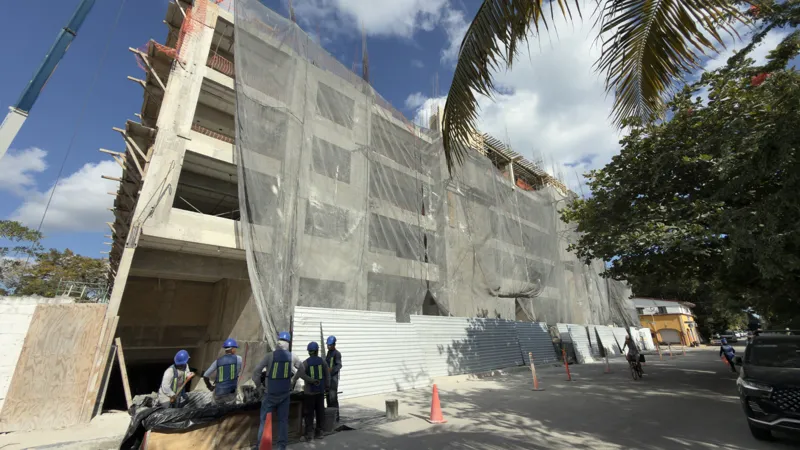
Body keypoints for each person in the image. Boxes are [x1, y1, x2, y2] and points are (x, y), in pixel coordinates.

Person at [252, 331, 303, 450]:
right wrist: (293, 380)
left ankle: (261, 446)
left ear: (278, 342)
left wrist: (259, 386)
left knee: (264, 421)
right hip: (285, 394)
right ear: (288, 343)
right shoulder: (292, 356)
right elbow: (302, 369)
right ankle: (281, 447)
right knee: (283, 421)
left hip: (270, 394)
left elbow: (256, 372)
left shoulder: (269, 356)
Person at [293, 341, 331, 441]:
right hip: (320, 392)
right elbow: (327, 375)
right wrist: (327, 386)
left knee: (309, 413)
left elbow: (299, 374)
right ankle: (319, 432)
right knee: (320, 412)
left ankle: (309, 434)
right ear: (317, 351)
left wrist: (293, 382)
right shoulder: (322, 361)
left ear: (309, 352)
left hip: (309, 393)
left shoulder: (305, 363)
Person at [202, 338, 242, 404]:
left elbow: (205, 375)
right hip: (230, 392)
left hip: (219, 392)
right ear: (232, 349)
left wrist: (210, 386)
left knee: (215, 411)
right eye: (235, 348)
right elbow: (237, 372)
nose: (235, 350)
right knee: (230, 411)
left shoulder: (218, 361)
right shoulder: (239, 359)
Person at [325, 335, 342, 421]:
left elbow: (339, 365)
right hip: (328, 378)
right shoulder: (328, 353)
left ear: (334, 344)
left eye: (330, 345)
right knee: (328, 397)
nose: (328, 346)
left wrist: (332, 370)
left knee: (333, 398)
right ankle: (329, 415)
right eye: (328, 345)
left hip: (333, 379)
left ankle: (336, 417)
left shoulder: (337, 353)